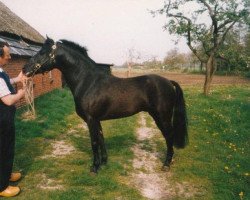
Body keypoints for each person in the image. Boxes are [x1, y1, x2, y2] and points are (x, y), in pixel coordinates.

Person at [0, 41, 27, 197]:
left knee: (7, 148)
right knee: (4, 150)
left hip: (5, 118)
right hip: (2, 119)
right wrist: (21, 93)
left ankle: (7, 174)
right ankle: (2, 187)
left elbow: (6, 83)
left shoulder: (1, 72)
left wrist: (18, 79)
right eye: (7, 55)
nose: (9, 57)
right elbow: (8, 100)